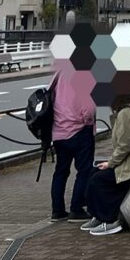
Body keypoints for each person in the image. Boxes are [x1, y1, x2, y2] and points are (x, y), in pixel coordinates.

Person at [80, 93, 130, 236]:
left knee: (98, 181)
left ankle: (110, 219)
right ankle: (98, 216)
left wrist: (110, 163)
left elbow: (124, 146)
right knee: (94, 172)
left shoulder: (125, 114)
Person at [48, 63, 97, 223]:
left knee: (61, 171)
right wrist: (88, 123)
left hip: (59, 131)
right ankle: (76, 209)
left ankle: (57, 211)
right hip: (79, 130)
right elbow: (88, 108)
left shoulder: (59, 74)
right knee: (84, 170)